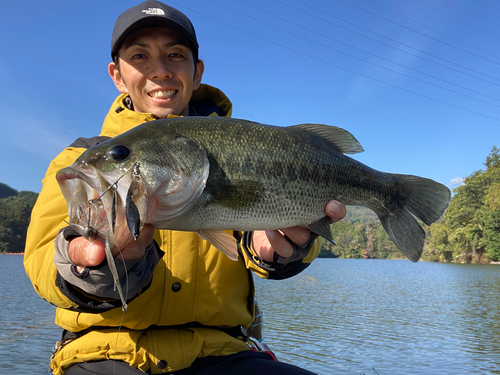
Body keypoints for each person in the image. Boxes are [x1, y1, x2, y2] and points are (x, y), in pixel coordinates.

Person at [24, 1, 346, 374]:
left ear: (197, 72)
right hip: (103, 352)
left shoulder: (240, 147)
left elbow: (262, 235)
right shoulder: (80, 160)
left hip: (224, 351)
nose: (159, 71)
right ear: (117, 74)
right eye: (140, 56)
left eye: (175, 55)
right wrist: (90, 267)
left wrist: (285, 251)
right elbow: (42, 263)